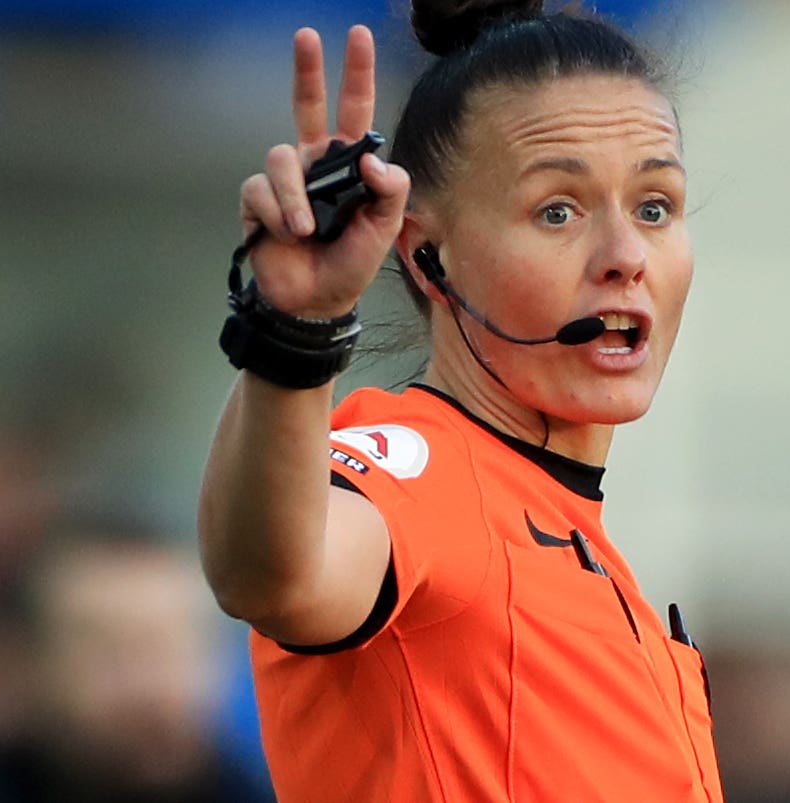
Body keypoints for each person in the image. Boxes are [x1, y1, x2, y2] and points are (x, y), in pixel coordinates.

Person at [197, 1, 722, 800]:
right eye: (558, 210)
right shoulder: (424, 465)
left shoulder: (585, 550)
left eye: (655, 208)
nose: (626, 257)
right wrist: (293, 330)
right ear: (430, 260)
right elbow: (275, 577)